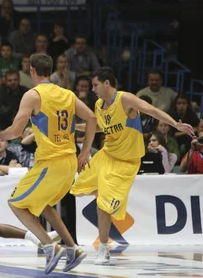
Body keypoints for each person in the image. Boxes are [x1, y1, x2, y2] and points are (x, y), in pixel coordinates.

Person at [71, 67, 194, 265]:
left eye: (95, 85)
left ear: (107, 84)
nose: (92, 89)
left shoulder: (125, 99)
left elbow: (152, 110)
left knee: (103, 203)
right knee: (77, 190)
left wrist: (176, 125)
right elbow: (99, 126)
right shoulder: (99, 105)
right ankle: (108, 200)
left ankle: (103, 249)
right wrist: (74, 126)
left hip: (126, 162)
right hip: (106, 155)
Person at [0, 53, 98, 274]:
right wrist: (85, 151)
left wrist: (0, 135)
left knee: (16, 203)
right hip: (69, 162)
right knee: (45, 206)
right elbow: (92, 119)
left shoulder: (32, 95)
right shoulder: (67, 94)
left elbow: (16, 131)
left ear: (31, 70)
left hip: (50, 162)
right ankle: (73, 248)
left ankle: (50, 246)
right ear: (49, 70)